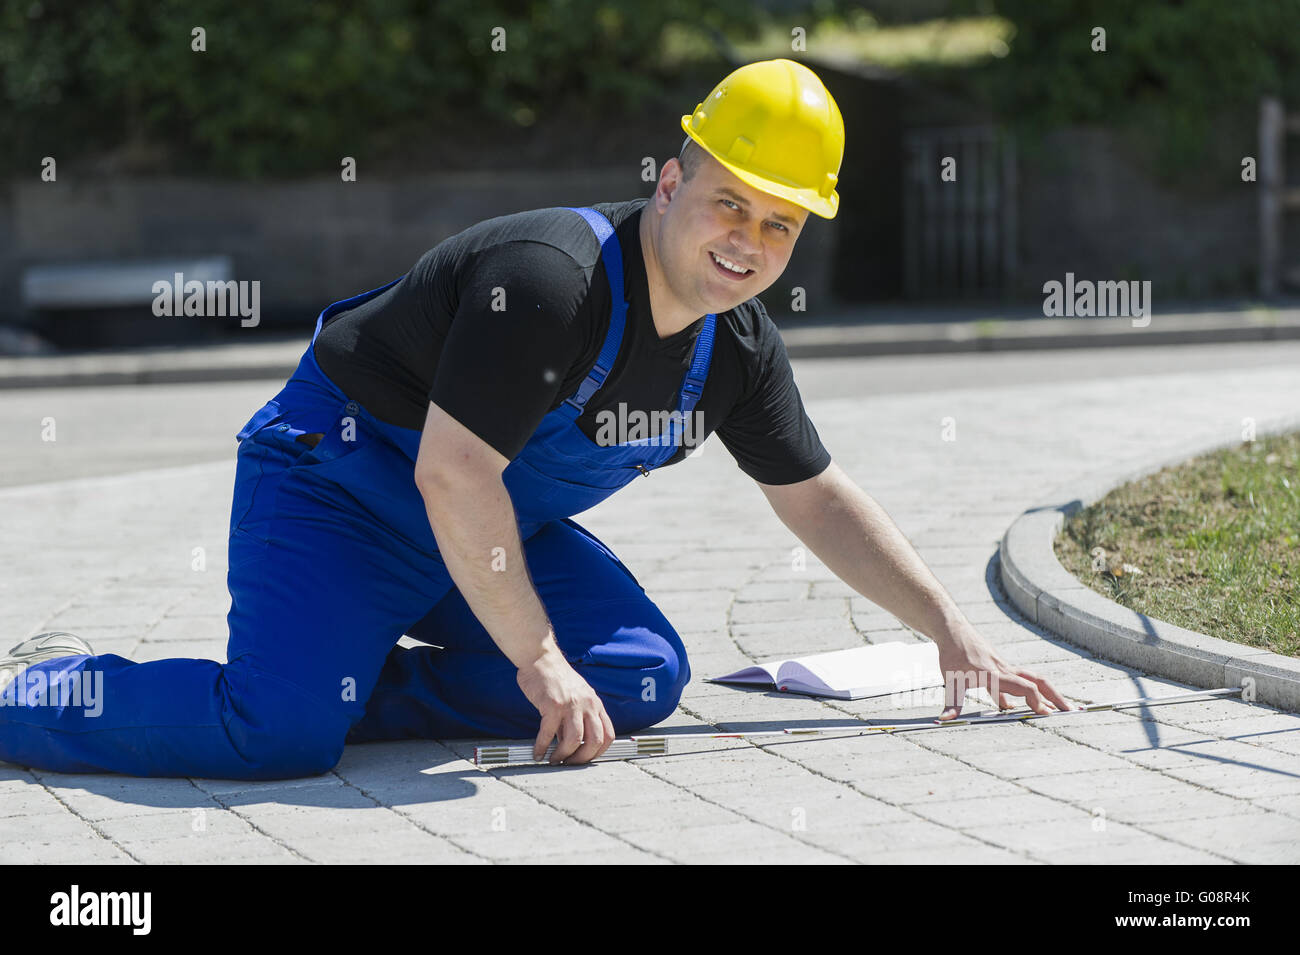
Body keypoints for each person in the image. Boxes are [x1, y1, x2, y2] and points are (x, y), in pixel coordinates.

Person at [0, 59, 1073, 781]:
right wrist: (538, 662)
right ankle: (43, 692)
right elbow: (453, 474)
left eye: (779, 224)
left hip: (485, 540)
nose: (748, 240)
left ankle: (349, 680)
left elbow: (816, 497)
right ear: (669, 182)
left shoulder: (734, 348)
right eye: (729, 204)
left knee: (641, 675)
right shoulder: (548, 284)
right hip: (342, 491)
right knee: (273, 735)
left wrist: (950, 631)